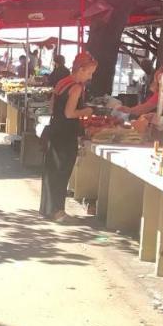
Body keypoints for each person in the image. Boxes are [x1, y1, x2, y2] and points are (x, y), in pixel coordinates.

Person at [39, 52, 96, 221]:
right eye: (89, 72)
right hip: (66, 133)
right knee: (62, 172)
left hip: (56, 129)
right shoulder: (76, 87)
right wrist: (87, 111)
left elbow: (51, 107)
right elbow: (70, 113)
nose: (90, 76)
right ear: (81, 69)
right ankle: (58, 211)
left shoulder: (62, 83)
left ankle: (47, 208)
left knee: (51, 170)